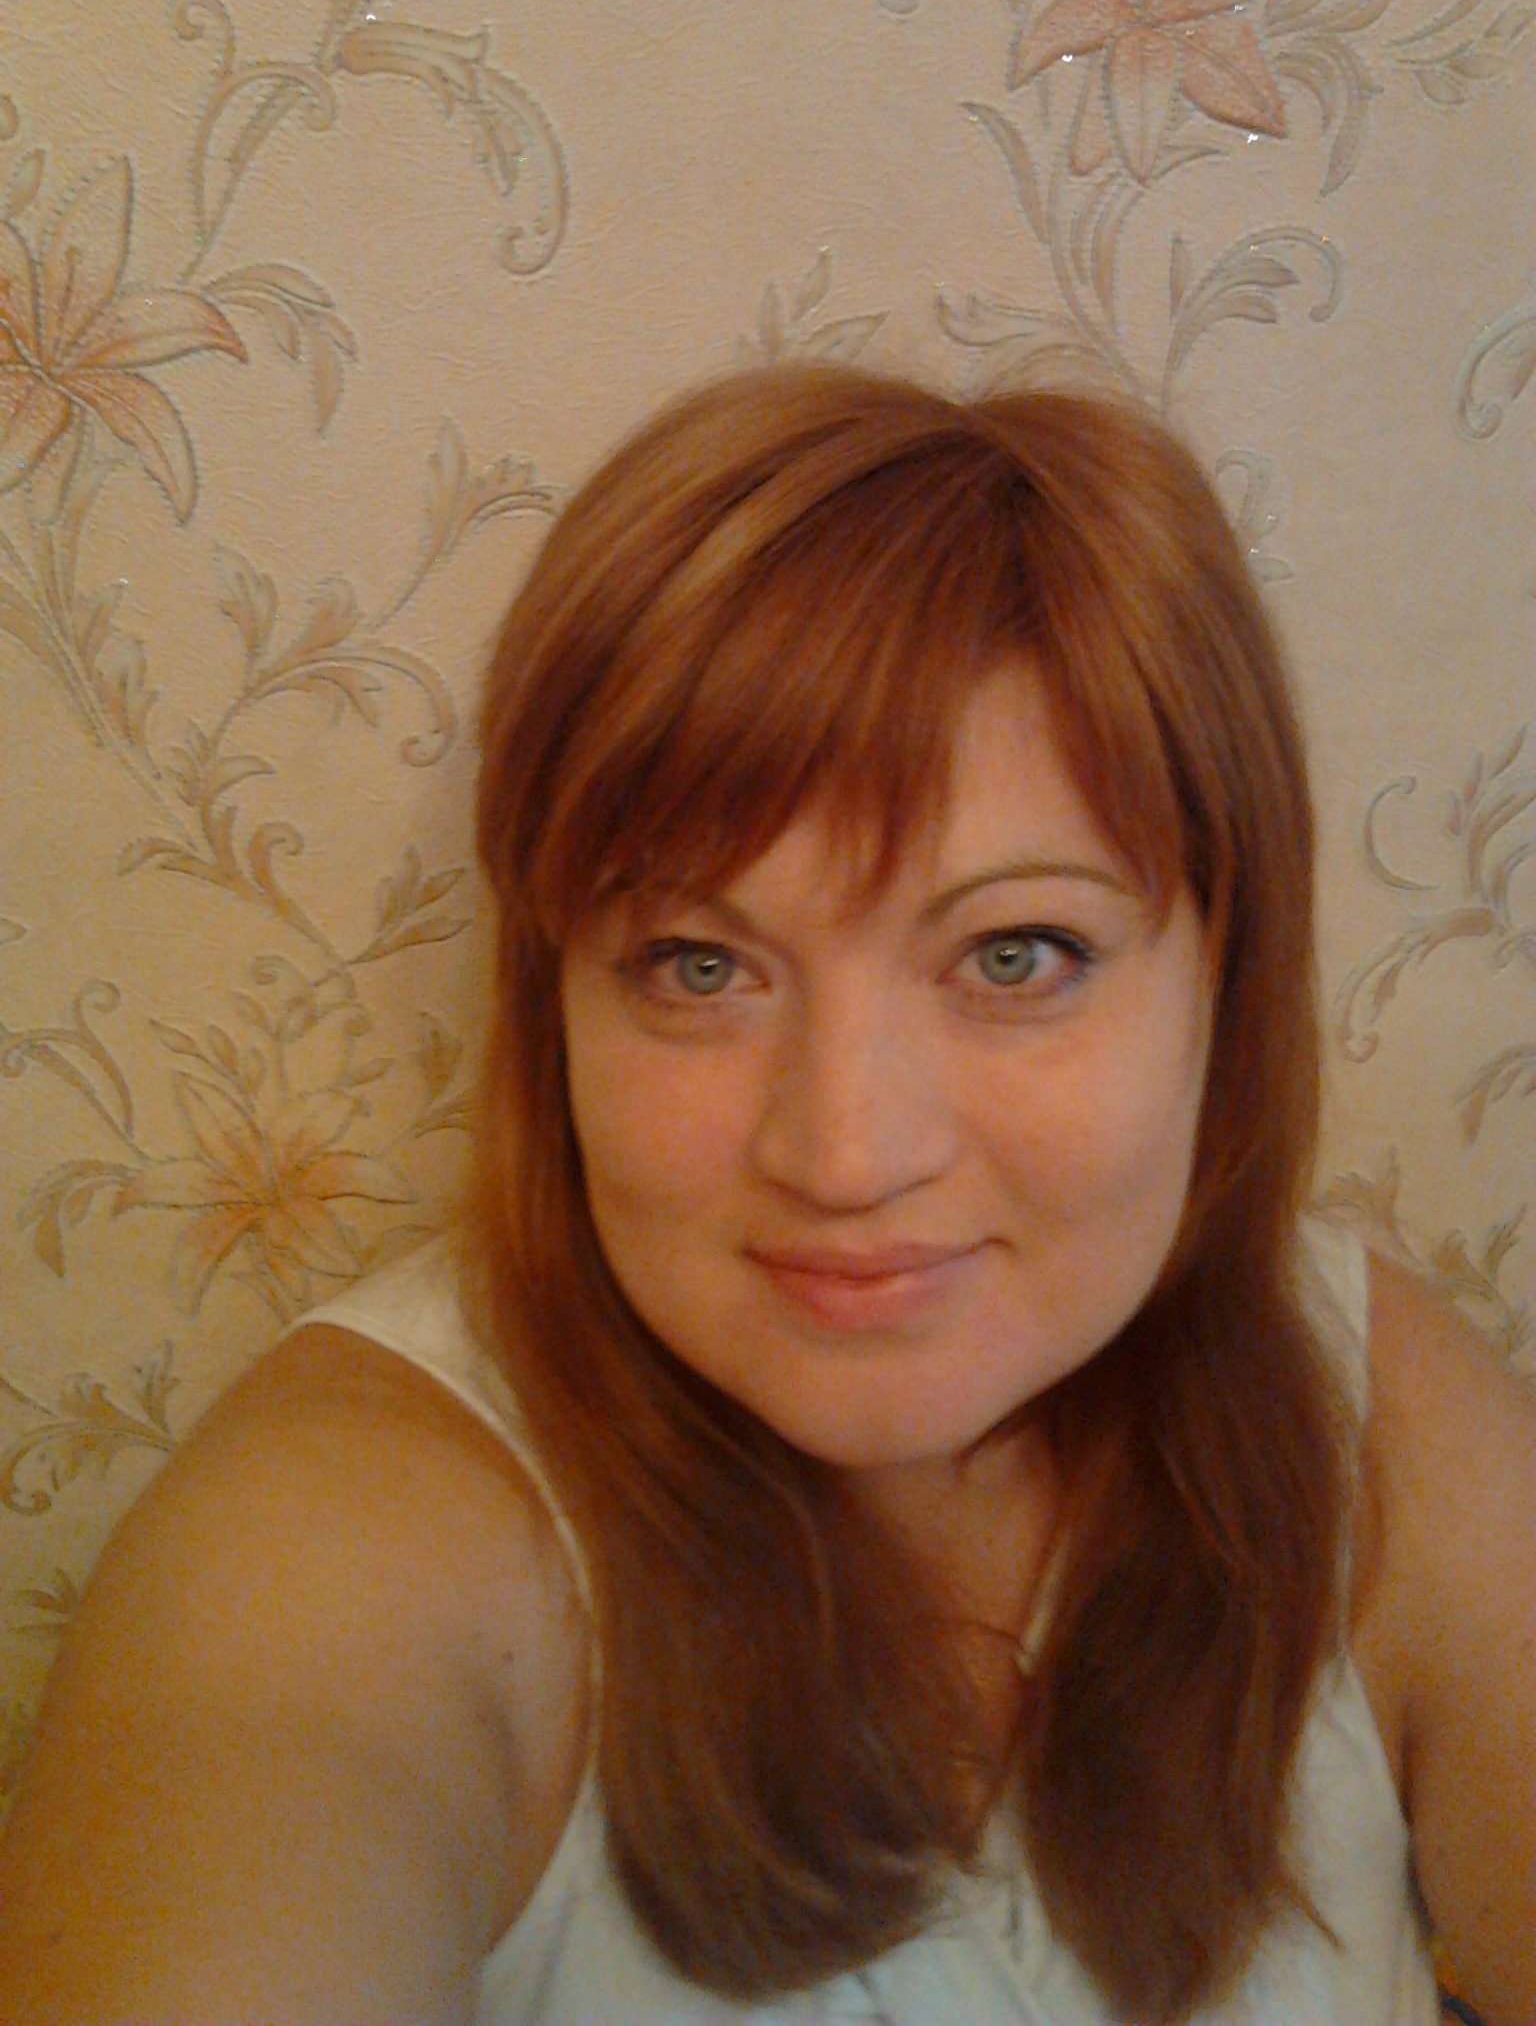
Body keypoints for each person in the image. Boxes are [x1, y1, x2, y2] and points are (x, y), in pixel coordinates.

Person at [0, 368, 1531, 2026]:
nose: (847, 1153)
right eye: (699, 962)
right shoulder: (334, 1553)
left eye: (1017, 954)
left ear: (1223, 982)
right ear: (554, 1001)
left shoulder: (1374, 1409)